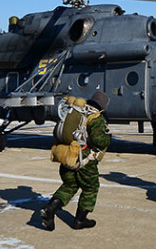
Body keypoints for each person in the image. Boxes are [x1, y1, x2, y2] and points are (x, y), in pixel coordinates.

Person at [41, 91, 112, 231]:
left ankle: (50, 208)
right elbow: (99, 140)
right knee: (90, 188)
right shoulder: (95, 117)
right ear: (103, 106)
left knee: (69, 185)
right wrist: (108, 138)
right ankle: (80, 220)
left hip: (68, 155)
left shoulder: (77, 112)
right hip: (84, 158)